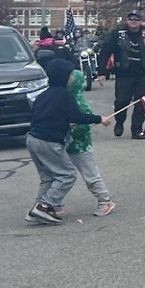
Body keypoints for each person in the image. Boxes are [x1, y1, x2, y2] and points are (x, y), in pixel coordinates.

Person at [24, 54, 104, 226]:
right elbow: (76, 116)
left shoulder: (43, 95)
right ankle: (45, 205)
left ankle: (38, 209)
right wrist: (99, 119)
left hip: (32, 139)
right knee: (67, 174)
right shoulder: (64, 95)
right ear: (64, 77)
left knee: (48, 177)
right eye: (69, 75)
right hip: (49, 141)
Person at [97, 9, 145, 139]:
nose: (133, 21)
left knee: (141, 103)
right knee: (121, 102)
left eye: (137, 19)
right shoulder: (117, 34)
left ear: (141, 21)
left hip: (143, 73)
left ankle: (137, 130)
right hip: (124, 74)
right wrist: (102, 72)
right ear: (127, 20)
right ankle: (119, 122)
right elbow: (105, 52)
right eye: (131, 19)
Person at [65, 62, 116, 217]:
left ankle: (105, 200)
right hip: (66, 144)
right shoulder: (66, 99)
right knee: (60, 174)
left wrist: (72, 128)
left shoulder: (79, 103)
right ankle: (55, 203)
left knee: (90, 175)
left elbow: (84, 123)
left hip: (80, 146)